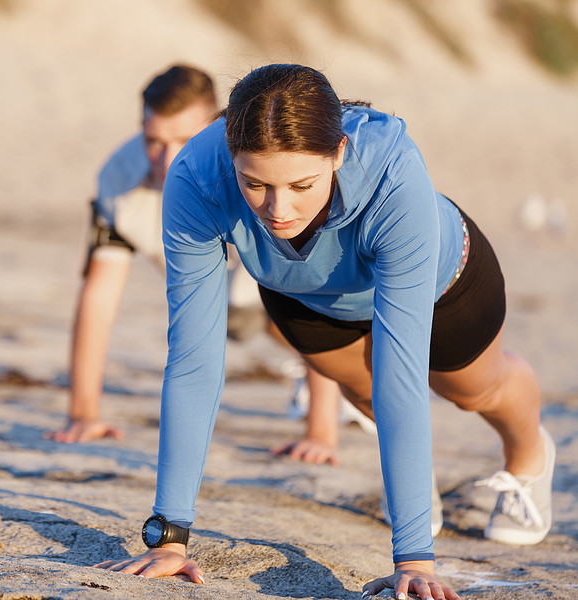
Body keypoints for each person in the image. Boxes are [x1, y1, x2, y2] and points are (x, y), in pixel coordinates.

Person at [96, 64, 555, 600]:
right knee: (360, 388)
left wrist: (414, 560)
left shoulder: (392, 172)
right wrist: (170, 537)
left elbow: (400, 372)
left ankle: (528, 461)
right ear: (230, 157)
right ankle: (412, 483)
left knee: (474, 389)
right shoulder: (197, 177)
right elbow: (194, 359)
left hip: (441, 279)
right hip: (303, 292)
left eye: (301, 184)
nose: (278, 209)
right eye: (255, 184)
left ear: (336, 153)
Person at [46, 63, 347, 445]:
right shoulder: (118, 179)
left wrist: (320, 435)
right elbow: (98, 296)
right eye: (154, 140)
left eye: (185, 140)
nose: (168, 161)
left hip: (294, 292)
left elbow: (310, 297)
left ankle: (337, 391)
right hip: (219, 298)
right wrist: (83, 415)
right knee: (227, 320)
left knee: (282, 316)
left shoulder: (254, 173)